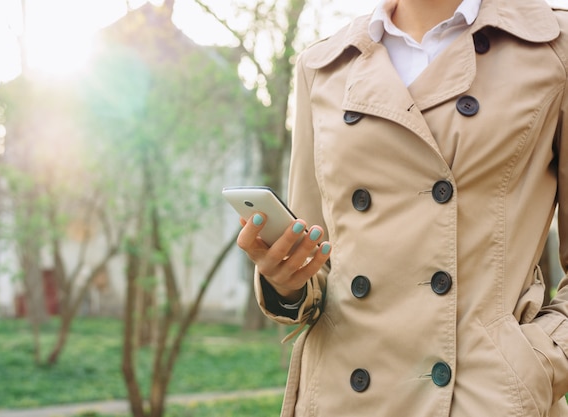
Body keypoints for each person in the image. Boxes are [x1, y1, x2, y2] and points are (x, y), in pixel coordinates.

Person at [235, 0, 568, 415]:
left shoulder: (552, 47)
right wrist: (284, 281)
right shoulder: (322, 65)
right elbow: (316, 257)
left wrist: (533, 361)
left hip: (480, 399)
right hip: (343, 394)